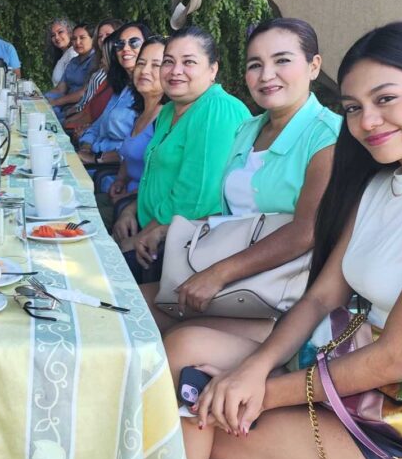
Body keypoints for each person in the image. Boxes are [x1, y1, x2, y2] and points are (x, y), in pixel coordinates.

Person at [164, 22, 402, 459]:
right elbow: (321, 296)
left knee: (195, 414)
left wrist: (262, 393)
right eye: (354, 107)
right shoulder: (383, 181)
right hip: (366, 388)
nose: (368, 121)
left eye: (385, 98)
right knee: (184, 350)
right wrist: (254, 367)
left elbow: (398, 360)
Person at [141, 18, 340, 342]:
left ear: (314, 65)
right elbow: (236, 215)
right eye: (255, 65)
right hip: (232, 278)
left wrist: (219, 274)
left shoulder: (328, 136)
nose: (266, 75)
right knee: (130, 306)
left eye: (282, 61)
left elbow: (307, 231)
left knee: (179, 344)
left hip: (283, 297)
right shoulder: (248, 130)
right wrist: (166, 228)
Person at [116, 26, 251, 282]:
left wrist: (138, 238)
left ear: (213, 69)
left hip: (186, 245)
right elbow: (158, 176)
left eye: (188, 62)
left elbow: (195, 196)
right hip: (152, 229)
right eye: (168, 62)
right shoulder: (169, 111)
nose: (175, 71)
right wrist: (131, 210)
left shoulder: (217, 110)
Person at [76, 22, 153, 186]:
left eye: (134, 42)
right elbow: (98, 125)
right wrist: (86, 147)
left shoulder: (152, 95)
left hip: (110, 175)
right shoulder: (123, 88)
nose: (126, 48)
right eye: (120, 44)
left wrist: (97, 158)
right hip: (92, 164)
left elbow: (137, 149)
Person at [106, 36, 166, 223]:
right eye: (141, 63)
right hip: (122, 198)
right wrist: (120, 180)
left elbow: (164, 180)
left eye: (156, 65)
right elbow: (130, 153)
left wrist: (128, 200)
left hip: (143, 211)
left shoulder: (166, 118)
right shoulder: (141, 111)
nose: (145, 70)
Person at [64, 18, 124, 134]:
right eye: (100, 36)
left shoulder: (117, 73)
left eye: (108, 35)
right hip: (81, 114)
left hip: (89, 123)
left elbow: (97, 108)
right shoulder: (97, 62)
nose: (103, 39)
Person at [46, 23, 96, 118]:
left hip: (80, 111)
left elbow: (84, 93)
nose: (77, 42)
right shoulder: (73, 61)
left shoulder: (95, 61)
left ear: (93, 39)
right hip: (65, 105)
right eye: (74, 39)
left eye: (82, 38)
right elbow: (61, 88)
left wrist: (56, 102)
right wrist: (43, 97)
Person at [46, 18, 76, 87]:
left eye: (60, 32)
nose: (56, 37)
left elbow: (71, 87)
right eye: (53, 35)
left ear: (70, 32)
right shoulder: (64, 54)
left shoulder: (72, 53)